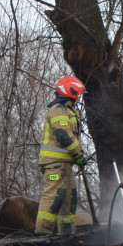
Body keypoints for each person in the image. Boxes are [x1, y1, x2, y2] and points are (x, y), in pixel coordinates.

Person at [35, 76, 88, 235]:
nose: (79, 97)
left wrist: (78, 156)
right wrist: (78, 153)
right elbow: (63, 134)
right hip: (54, 164)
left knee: (69, 201)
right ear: (70, 92)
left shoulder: (70, 111)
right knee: (53, 198)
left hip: (66, 165)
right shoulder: (57, 109)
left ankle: (66, 238)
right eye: (77, 93)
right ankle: (41, 238)